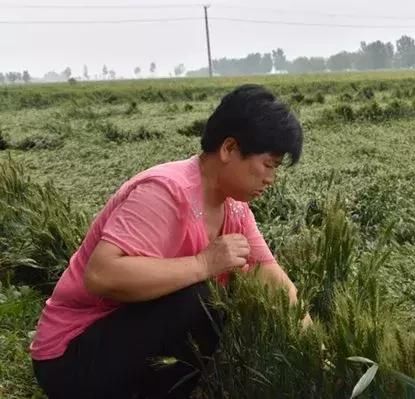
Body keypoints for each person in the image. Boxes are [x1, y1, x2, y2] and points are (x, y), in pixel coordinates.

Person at [30, 84, 307, 398]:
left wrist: (318, 345)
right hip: (70, 357)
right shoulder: (165, 192)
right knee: (201, 298)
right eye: (268, 165)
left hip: (125, 340)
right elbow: (101, 275)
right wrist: (204, 263)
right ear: (229, 148)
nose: (271, 179)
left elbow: (269, 275)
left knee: (215, 298)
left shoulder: (234, 206)